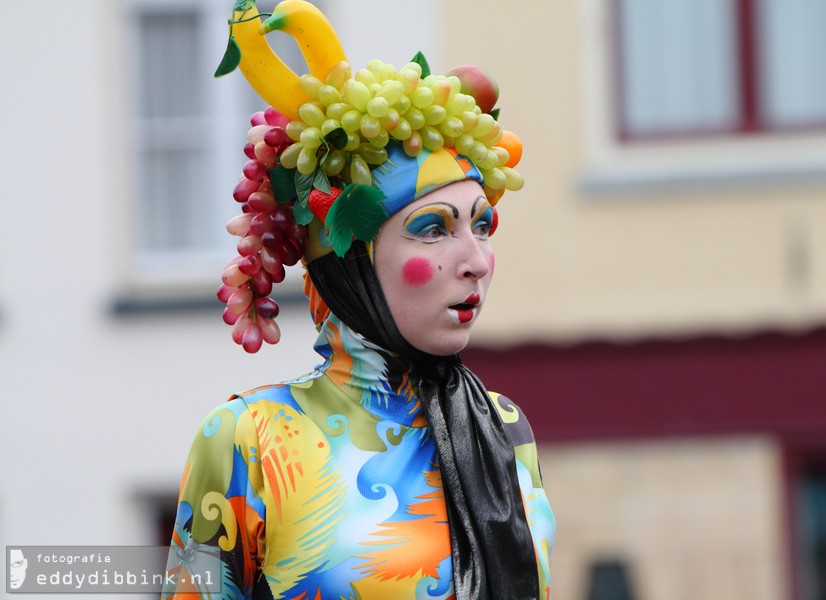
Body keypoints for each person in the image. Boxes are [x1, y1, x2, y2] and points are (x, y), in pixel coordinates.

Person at [162, 2, 554, 599]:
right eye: (433, 229)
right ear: (351, 265)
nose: (475, 259)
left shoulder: (505, 428)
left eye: (483, 225)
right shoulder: (248, 437)